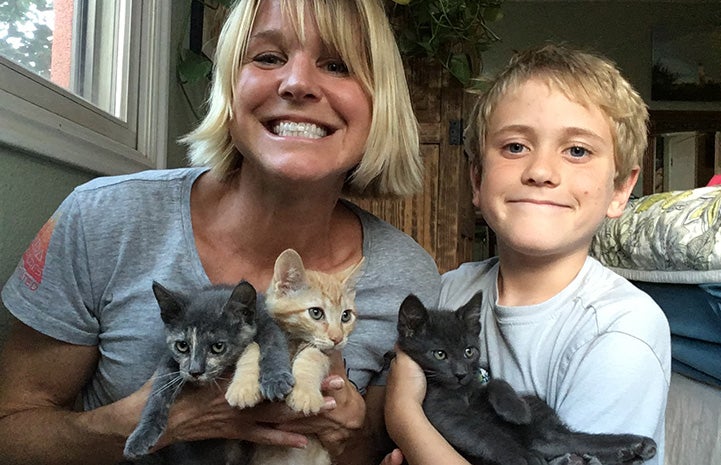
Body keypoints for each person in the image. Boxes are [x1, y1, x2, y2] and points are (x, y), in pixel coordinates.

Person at [0, 0, 441, 464]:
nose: (297, 83)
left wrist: (346, 434)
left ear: (380, 103)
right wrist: (145, 423)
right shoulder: (102, 219)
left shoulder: (406, 275)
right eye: (267, 57)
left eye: (337, 65)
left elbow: (375, 450)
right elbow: (10, 433)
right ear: (229, 86)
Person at [382, 44, 671, 465]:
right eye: (515, 147)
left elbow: (413, 410)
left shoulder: (621, 331)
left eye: (577, 151)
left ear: (621, 189)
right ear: (477, 180)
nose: (540, 171)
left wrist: (404, 418)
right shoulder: (450, 290)